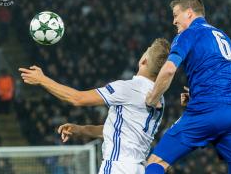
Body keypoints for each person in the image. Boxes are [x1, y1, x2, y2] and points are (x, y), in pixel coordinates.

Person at [19, 38, 170, 174]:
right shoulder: (160, 99)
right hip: (138, 168)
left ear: (143, 60)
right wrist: (81, 130)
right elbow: (119, 132)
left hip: (117, 166)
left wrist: (42, 80)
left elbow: (77, 98)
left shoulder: (127, 88)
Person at [145, 0, 231, 174]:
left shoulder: (189, 33)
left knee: (156, 162)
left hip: (207, 110)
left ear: (189, 13)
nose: (173, 21)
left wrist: (152, 98)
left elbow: (169, 69)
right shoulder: (223, 36)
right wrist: (198, 92)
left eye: (175, 15)